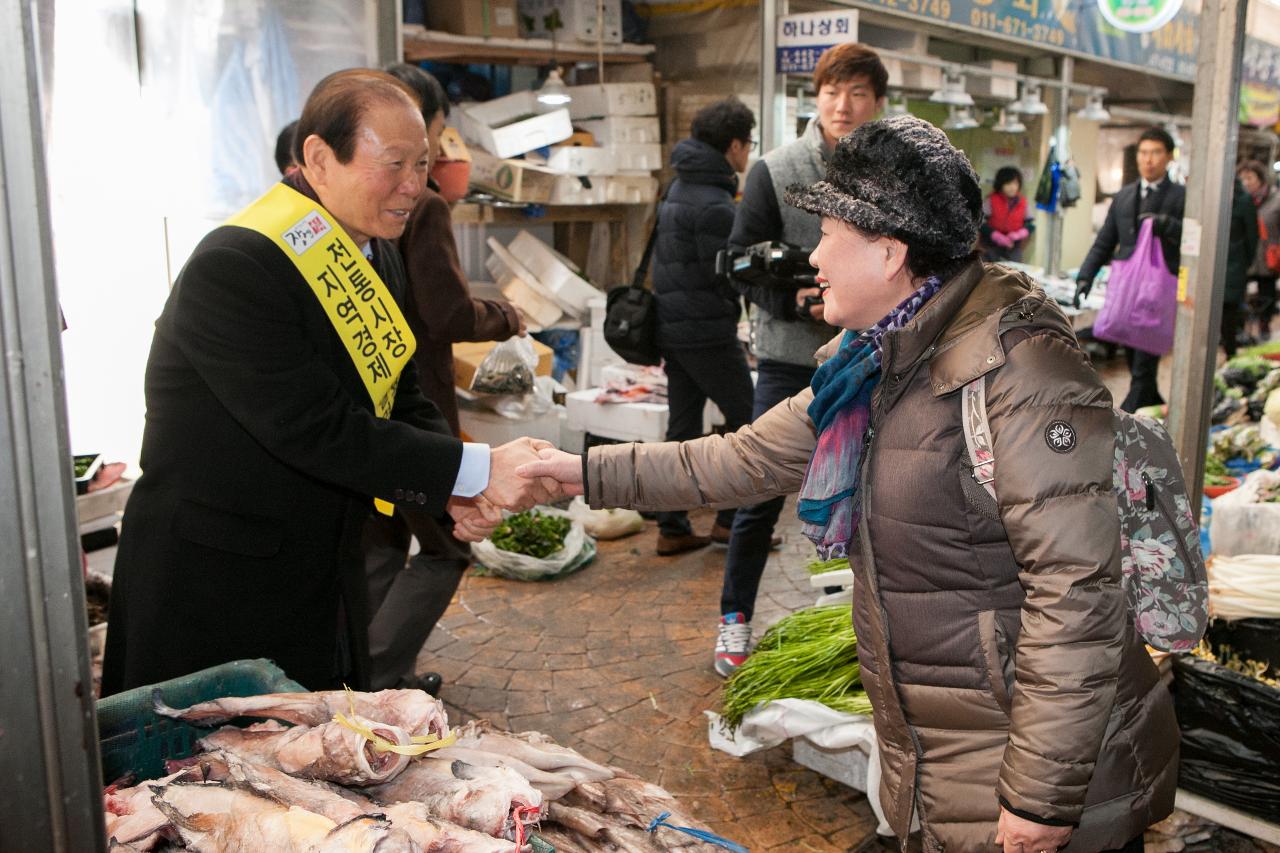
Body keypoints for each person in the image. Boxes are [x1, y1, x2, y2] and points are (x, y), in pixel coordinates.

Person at [519, 115, 1175, 853]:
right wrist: (575, 472)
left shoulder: (1022, 375)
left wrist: (1042, 795)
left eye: (828, 231)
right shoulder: (868, 364)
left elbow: (1076, 591)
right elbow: (740, 459)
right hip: (947, 773)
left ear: (890, 251)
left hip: (1041, 787)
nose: (814, 254)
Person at [101, 69, 552, 696]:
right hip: (216, 582)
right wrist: (472, 472)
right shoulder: (236, 266)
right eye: (392, 165)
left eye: (421, 165)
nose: (412, 187)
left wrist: (450, 493)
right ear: (318, 158)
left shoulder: (373, 247)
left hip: (318, 568)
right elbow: (315, 428)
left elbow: (399, 389)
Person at [710, 42, 887, 677]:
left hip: (873, 361)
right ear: (816, 98)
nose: (844, 105)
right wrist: (797, 301)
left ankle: (868, 632)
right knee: (758, 489)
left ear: (877, 103)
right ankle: (734, 619)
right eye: (833, 91)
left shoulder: (893, 176)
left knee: (876, 496)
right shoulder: (776, 170)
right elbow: (733, 264)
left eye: (858, 93)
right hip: (789, 361)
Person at [359, 63, 526, 693]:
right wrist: (506, 314)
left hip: (375, 406)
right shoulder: (420, 204)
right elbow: (445, 312)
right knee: (446, 544)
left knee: (378, 541)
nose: (412, 178)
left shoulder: (346, 209)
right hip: (411, 405)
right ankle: (377, 676)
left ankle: (354, 671)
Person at [650, 97, 757, 556]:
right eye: (748, 143)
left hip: (673, 329)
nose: (749, 153)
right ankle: (730, 523)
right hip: (706, 332)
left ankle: (672, 525)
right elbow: (724, 273)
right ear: (734, 145)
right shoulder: (715, 202)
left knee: (683, 429)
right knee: (750, 422)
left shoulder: (678, 187)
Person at [1076, 126, 1185, 413]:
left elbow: (1196, 240)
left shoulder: (1182, 197)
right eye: (1144, 153)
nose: (1148, 159)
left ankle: (1129, 410)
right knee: (1135, 351)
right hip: (1128, 288)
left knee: (1146, 354)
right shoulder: (1124, 197)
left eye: (1156, 153)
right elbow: (1105, 241)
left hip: (1161, 287)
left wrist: (1169, 227)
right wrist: (1085, 275)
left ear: (1169, 157)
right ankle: (1150, 400)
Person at [1240, 160, 1280, 340]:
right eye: (1243, 179)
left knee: (1266, 297)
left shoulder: (1276, 201)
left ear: (1261, 179)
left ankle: (1264, 331)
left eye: (1250, 178)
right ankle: (1242, 332)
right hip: (1245, 258)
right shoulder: (1240, 202)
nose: (1246, 183)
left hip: (1268, 260)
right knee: (1242, 298)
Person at [1222, 176, 1260, 357]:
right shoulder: (1208, 196)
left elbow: (1252, 237)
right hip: (1212, 266)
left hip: (1235, 264)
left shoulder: (1244, 201)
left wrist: (1245, 262)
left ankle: (1230, 354)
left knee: (1229, 313)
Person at [980, 166, 1032, 261]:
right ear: (1001, 184)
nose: (1012, 187)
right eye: (1008, 183)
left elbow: (1030, 225)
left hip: (1014, 247)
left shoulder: (1023, 202)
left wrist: (1019, 234)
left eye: (1015, 183)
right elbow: (980, 223)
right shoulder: (990, 200)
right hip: (991, 246)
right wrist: (995, 235)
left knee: (1014, 273)